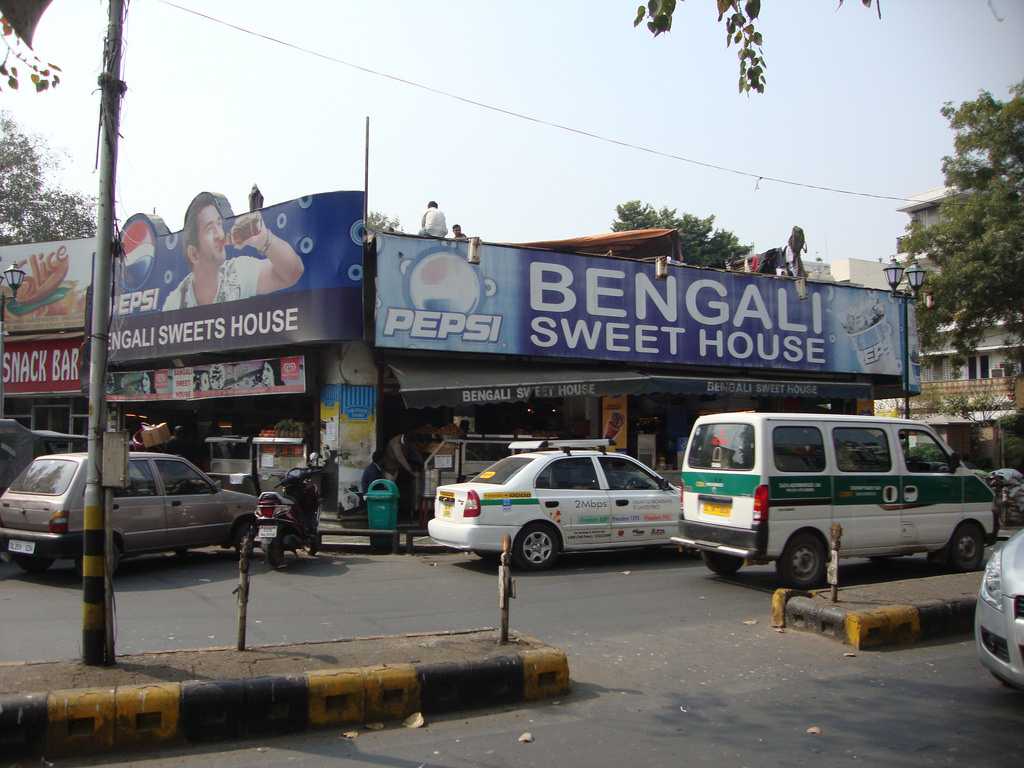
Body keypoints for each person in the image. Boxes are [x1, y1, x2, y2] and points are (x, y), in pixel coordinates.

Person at [163, 192, 304, 310]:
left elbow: (292, 273)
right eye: (210, 229)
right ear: (194, 254)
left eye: (219, 224)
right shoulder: (175, 303)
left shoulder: (236, 272)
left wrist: (265, 240)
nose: (220, 234)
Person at [383, 431, 424, 519]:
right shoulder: (395, 443)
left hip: (396, 469)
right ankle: (388, 514)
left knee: (393, 491)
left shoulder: (406, 441)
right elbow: (401, 459)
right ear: (405, 439)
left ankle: (394, 513)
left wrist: (421, 462)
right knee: (389, 492)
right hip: (389, 470)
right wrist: (411, 471)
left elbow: (414, 452)